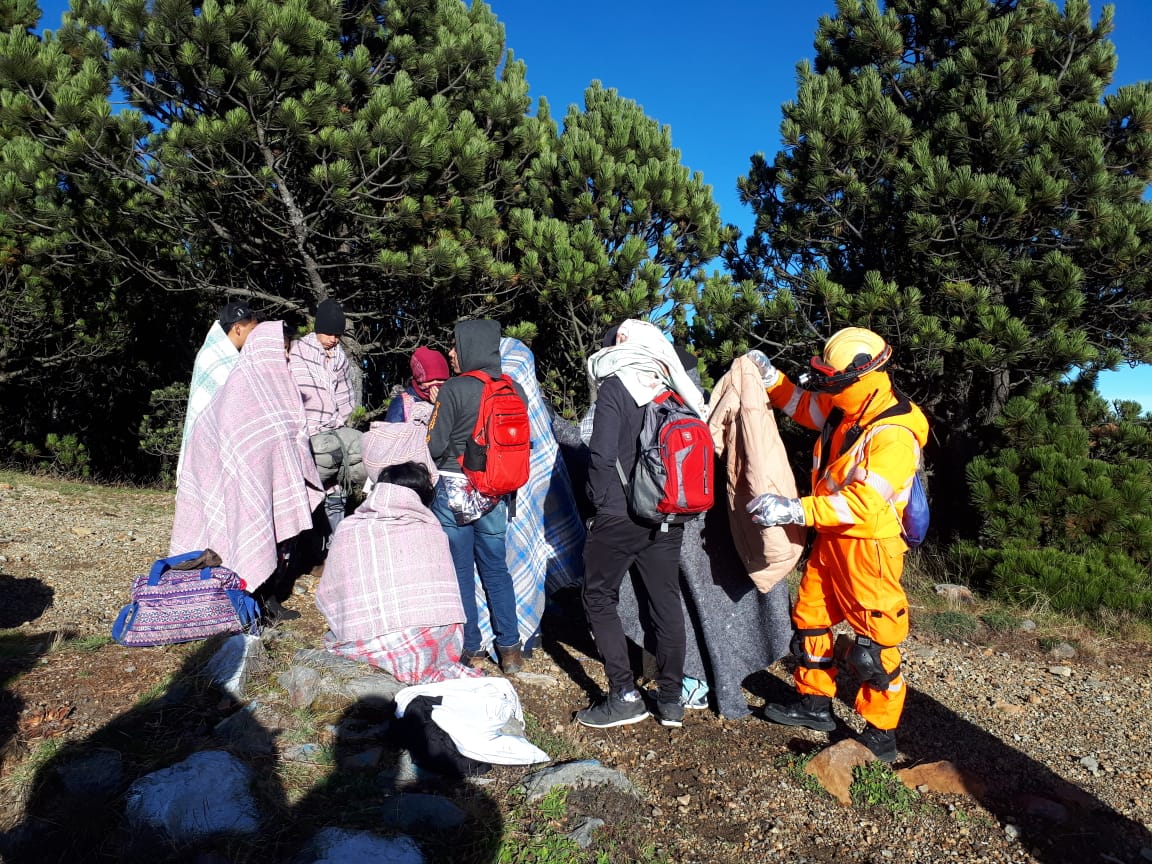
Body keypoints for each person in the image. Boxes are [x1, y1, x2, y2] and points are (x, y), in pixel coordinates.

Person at [745, 327, 929, 762]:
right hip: (832, 539)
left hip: (870, 548)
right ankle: (814, 704)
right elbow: (804, 405)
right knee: (810, 621)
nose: (825, 387)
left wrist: (794, 511)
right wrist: (771, 378)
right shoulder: (848, 407)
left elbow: (863, 504)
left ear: (859, 377)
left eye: (833, 380)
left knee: (874, 645)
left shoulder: (894, 435)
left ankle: (881, 734)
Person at [576, 319, 706, 729]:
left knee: (598, 596)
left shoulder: (616, 386)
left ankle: (625, 695)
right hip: (668, 514)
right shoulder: (672, 388)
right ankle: (670, 701)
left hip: (619, 514)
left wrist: (598, 505)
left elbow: (600, 454)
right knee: (665, 602)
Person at [315, 423, 481, 684]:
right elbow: (447, 606)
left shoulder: (350, 529)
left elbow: (333, 593)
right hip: (434, 643)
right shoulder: (431, 530)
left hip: (370, 635)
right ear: (421, 494)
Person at [170, 321, 324, 601]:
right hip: (233, 482)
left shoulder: (278, 388)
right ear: (264, 350)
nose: (288, 357)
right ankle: (247, 597)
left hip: (264, 481)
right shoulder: (239, 388)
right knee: (245, 530)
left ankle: (269, 596)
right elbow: (236, 445)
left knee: (275, 538)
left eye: (288, 351)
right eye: (283, 350)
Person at [426, 320, 528, 674]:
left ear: (470, 346)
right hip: (497, 492)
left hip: (456, 491)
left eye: (454, 346)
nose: (451, 354)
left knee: (461, 571)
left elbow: (435, 444)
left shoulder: (454, 388)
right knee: (496, 570)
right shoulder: (513, 388)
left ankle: (473, 648)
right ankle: (511, 649)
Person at [290, 298, 360, 537]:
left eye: (338, 334)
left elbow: (344, 394)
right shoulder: (298, 351)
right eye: (329, 333)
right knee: (305, 488)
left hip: (333, 428)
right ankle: (307, 544)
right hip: (305, 429)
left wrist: (339, 421)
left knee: (335, 488)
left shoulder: (339, 358)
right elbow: (293, 386)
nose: (334, 339)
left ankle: (335, 542)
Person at [176, 301, 259, 484]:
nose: (254, 337)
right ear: (237, 328)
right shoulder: (214, 357)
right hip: (209, 444)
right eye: (252, 331)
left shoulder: (230, 356)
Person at [385, 347, 450, 426]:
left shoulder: (451, 400)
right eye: (430, 380)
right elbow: (393, 434)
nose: (435, 384)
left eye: (441, 379)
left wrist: (442, 407)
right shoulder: (402, 404)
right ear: (419, 379)